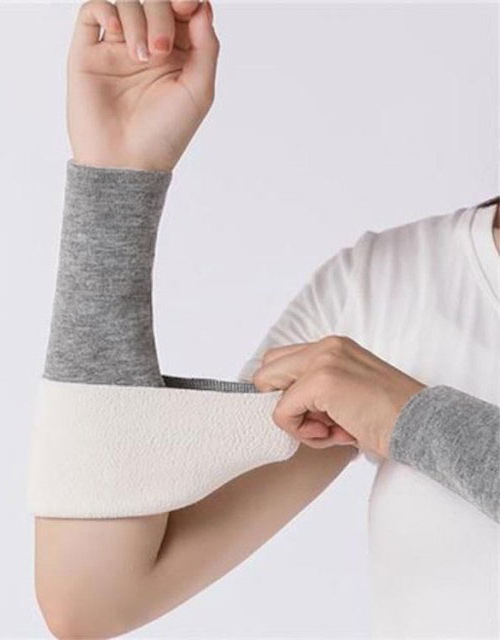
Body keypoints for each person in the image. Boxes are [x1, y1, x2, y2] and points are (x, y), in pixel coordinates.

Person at [33, 1, 499, 637]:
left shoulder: (384, 370)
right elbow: (94, 595)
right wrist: (117, 183)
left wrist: (412, 419)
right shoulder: (392, 284)